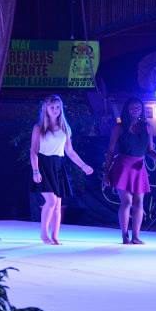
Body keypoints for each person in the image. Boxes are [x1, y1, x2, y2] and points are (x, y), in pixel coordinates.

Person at [104, 97, 156, 244]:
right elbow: (110, 151)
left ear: (142, 110)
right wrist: (106, 173)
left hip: (139, 167)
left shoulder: (148, 127)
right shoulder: (119, 127)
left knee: (139, 202)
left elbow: (150, 151)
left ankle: (135, 236)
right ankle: (124, 235)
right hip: (123, 166)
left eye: (138, 108)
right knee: (126, 201)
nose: (135, 110)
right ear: (127, 110)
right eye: (132, 108)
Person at [30, 94, 94, 245]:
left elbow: (70, 151)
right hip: (43, 165)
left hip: (58, 165)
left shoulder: (65, 128)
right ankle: (44, 234)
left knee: (58, 205)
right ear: (45, 109)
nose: (55, 110)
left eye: (58, 107)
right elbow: (33, 151)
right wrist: (35, 170)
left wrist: (83, 165)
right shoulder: (39, 128)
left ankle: (55, 236)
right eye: (52, 107)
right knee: (51, 201)